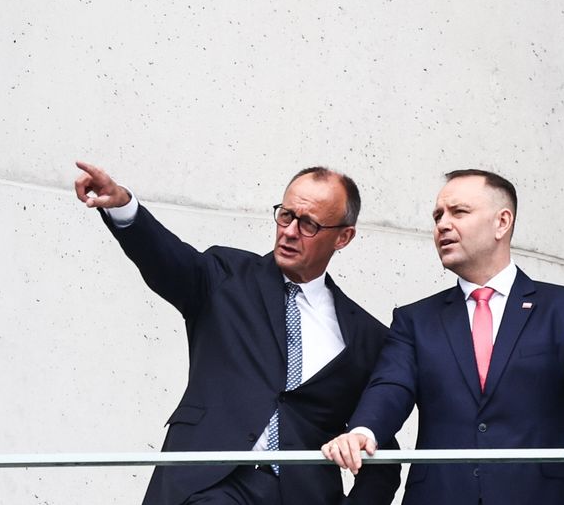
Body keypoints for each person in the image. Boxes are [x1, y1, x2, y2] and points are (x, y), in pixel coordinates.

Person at [74, 161, 400, 505]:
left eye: (308, 224)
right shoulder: (225, 277)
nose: (290, 232)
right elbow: (167, 260)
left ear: (343, 237)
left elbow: (380, 443)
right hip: (207, 485)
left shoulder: (366, 337)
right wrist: (123, 206)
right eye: (286, 215)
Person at [321, 169, 564, 505]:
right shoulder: (415, 320)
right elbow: (391, 387)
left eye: (459, 212)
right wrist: (363, 432)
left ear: (502, 222)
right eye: (438, 216)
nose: (442, 224)